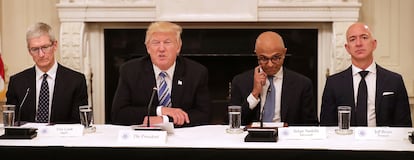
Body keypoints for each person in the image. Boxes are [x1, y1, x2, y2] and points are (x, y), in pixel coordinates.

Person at [111, 21, 210, 127]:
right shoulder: (130, 71)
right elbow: (118, 114)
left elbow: (204, 114)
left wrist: (165, 120)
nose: (161, 49)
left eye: (167, 42)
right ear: (148, 48)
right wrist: (161, 111)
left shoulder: (196, 72)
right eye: (156, 43)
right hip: (144, 138)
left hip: (181, 136)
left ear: (178, 47)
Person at [320, 22, 412, 127]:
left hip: (385, 142)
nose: (358, 43)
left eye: (364, 37)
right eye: (352, 39)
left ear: (374, 44)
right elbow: (326, 127)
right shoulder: (333, 83)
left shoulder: (394, 81)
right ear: (347, 48)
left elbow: (404, 126)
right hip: (346, 142)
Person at [6, 22, 88, 124]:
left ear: (55, 45)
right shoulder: (17, 82)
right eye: (35, 49)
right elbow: (12, 123)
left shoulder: (76, 81)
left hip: (61, 138)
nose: (41, 54)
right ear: (29, 51)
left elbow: (78, 123)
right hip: (28, 139)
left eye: (45, 47)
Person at [230, 31, 318, 126]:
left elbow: (311, 125)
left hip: (287, 137)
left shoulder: (302, 84)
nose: (270, 64)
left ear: (284, 53)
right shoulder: (240, 82)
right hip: (253, 138)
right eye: (263, 58)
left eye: (276, 58)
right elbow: (231, 123)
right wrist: (254, 94)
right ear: (257, 54)